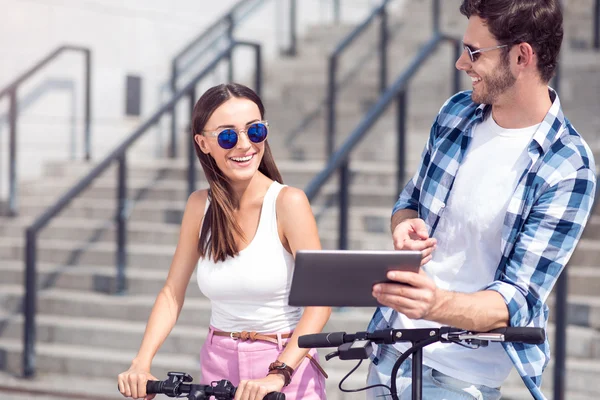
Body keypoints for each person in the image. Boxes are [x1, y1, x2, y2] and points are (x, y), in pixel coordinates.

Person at [366, 1, 596, 399]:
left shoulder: (568, 166)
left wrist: (433, 304)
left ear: (522, 56)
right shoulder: (456, 113)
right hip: (386, 358)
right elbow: (410, 200)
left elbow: (516, 300)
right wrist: (404, 224)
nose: (460, 63)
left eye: (473, 52)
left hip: (457, 384)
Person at [117, 83, 331, 400]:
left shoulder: (288, 203)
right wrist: (141, 361)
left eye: (255, 131)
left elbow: (320, 302)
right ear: (203, 143)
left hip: (285, 364)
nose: (244, 145)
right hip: (218, 363)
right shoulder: (198, 206)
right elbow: (172, 294)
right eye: (227, 136)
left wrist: (279, 373)